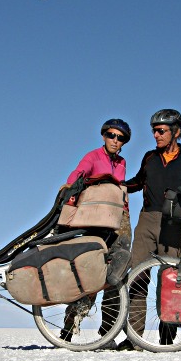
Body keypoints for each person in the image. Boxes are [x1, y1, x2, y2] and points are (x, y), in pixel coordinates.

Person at [117, 109, 181, 350]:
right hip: (147, 220)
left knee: (170, 281)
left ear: (176, 132)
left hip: (173, 224)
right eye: (154, 131)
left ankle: (166, 340)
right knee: (137, 276)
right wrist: (118, 186)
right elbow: (138, 181)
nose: (156, 135)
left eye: (161, 131)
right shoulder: (149, 157)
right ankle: (134, 338)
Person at [60, 119, 133, 346]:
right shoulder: (93, 156)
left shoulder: (122, 162)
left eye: (120, 137)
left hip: (120, 221)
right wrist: (68, 187)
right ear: (103, 136)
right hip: (96, 220)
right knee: (90, 274)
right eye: (111, 135)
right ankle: (68, 330)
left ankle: (107, 334)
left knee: (115, 276)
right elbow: (79, 172)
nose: (115, 140)